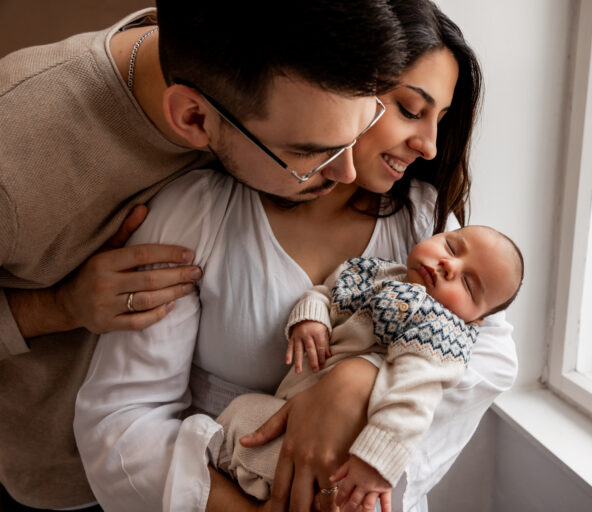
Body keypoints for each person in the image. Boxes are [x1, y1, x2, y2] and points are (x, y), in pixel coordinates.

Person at [74, 1, 518, 511]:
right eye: (410, 110)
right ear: (338, 85)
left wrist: (357, 381)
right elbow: (122, 423)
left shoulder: (426, 226)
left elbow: (491, 358)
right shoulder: (198, 214)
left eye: (440, 117)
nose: (430, 146)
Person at [0, 2, 406, 509]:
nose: (348, 173)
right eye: (310, 154)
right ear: (192, 117)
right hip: (58, 473)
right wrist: (58, 306)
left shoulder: (245, 63)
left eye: (363, 126)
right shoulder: (13, 150)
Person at [215, 225, 524, 512]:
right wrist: (312, 317)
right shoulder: (375, 271)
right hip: (290, 411)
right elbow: (327, 292)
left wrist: (377, 463)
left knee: (228, 438)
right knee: (237, 415)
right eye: (452, 247)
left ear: (476, 319)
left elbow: (414, 399)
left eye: (468, 284)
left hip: (339, 448)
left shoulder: (440, 329)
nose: (449, 265)